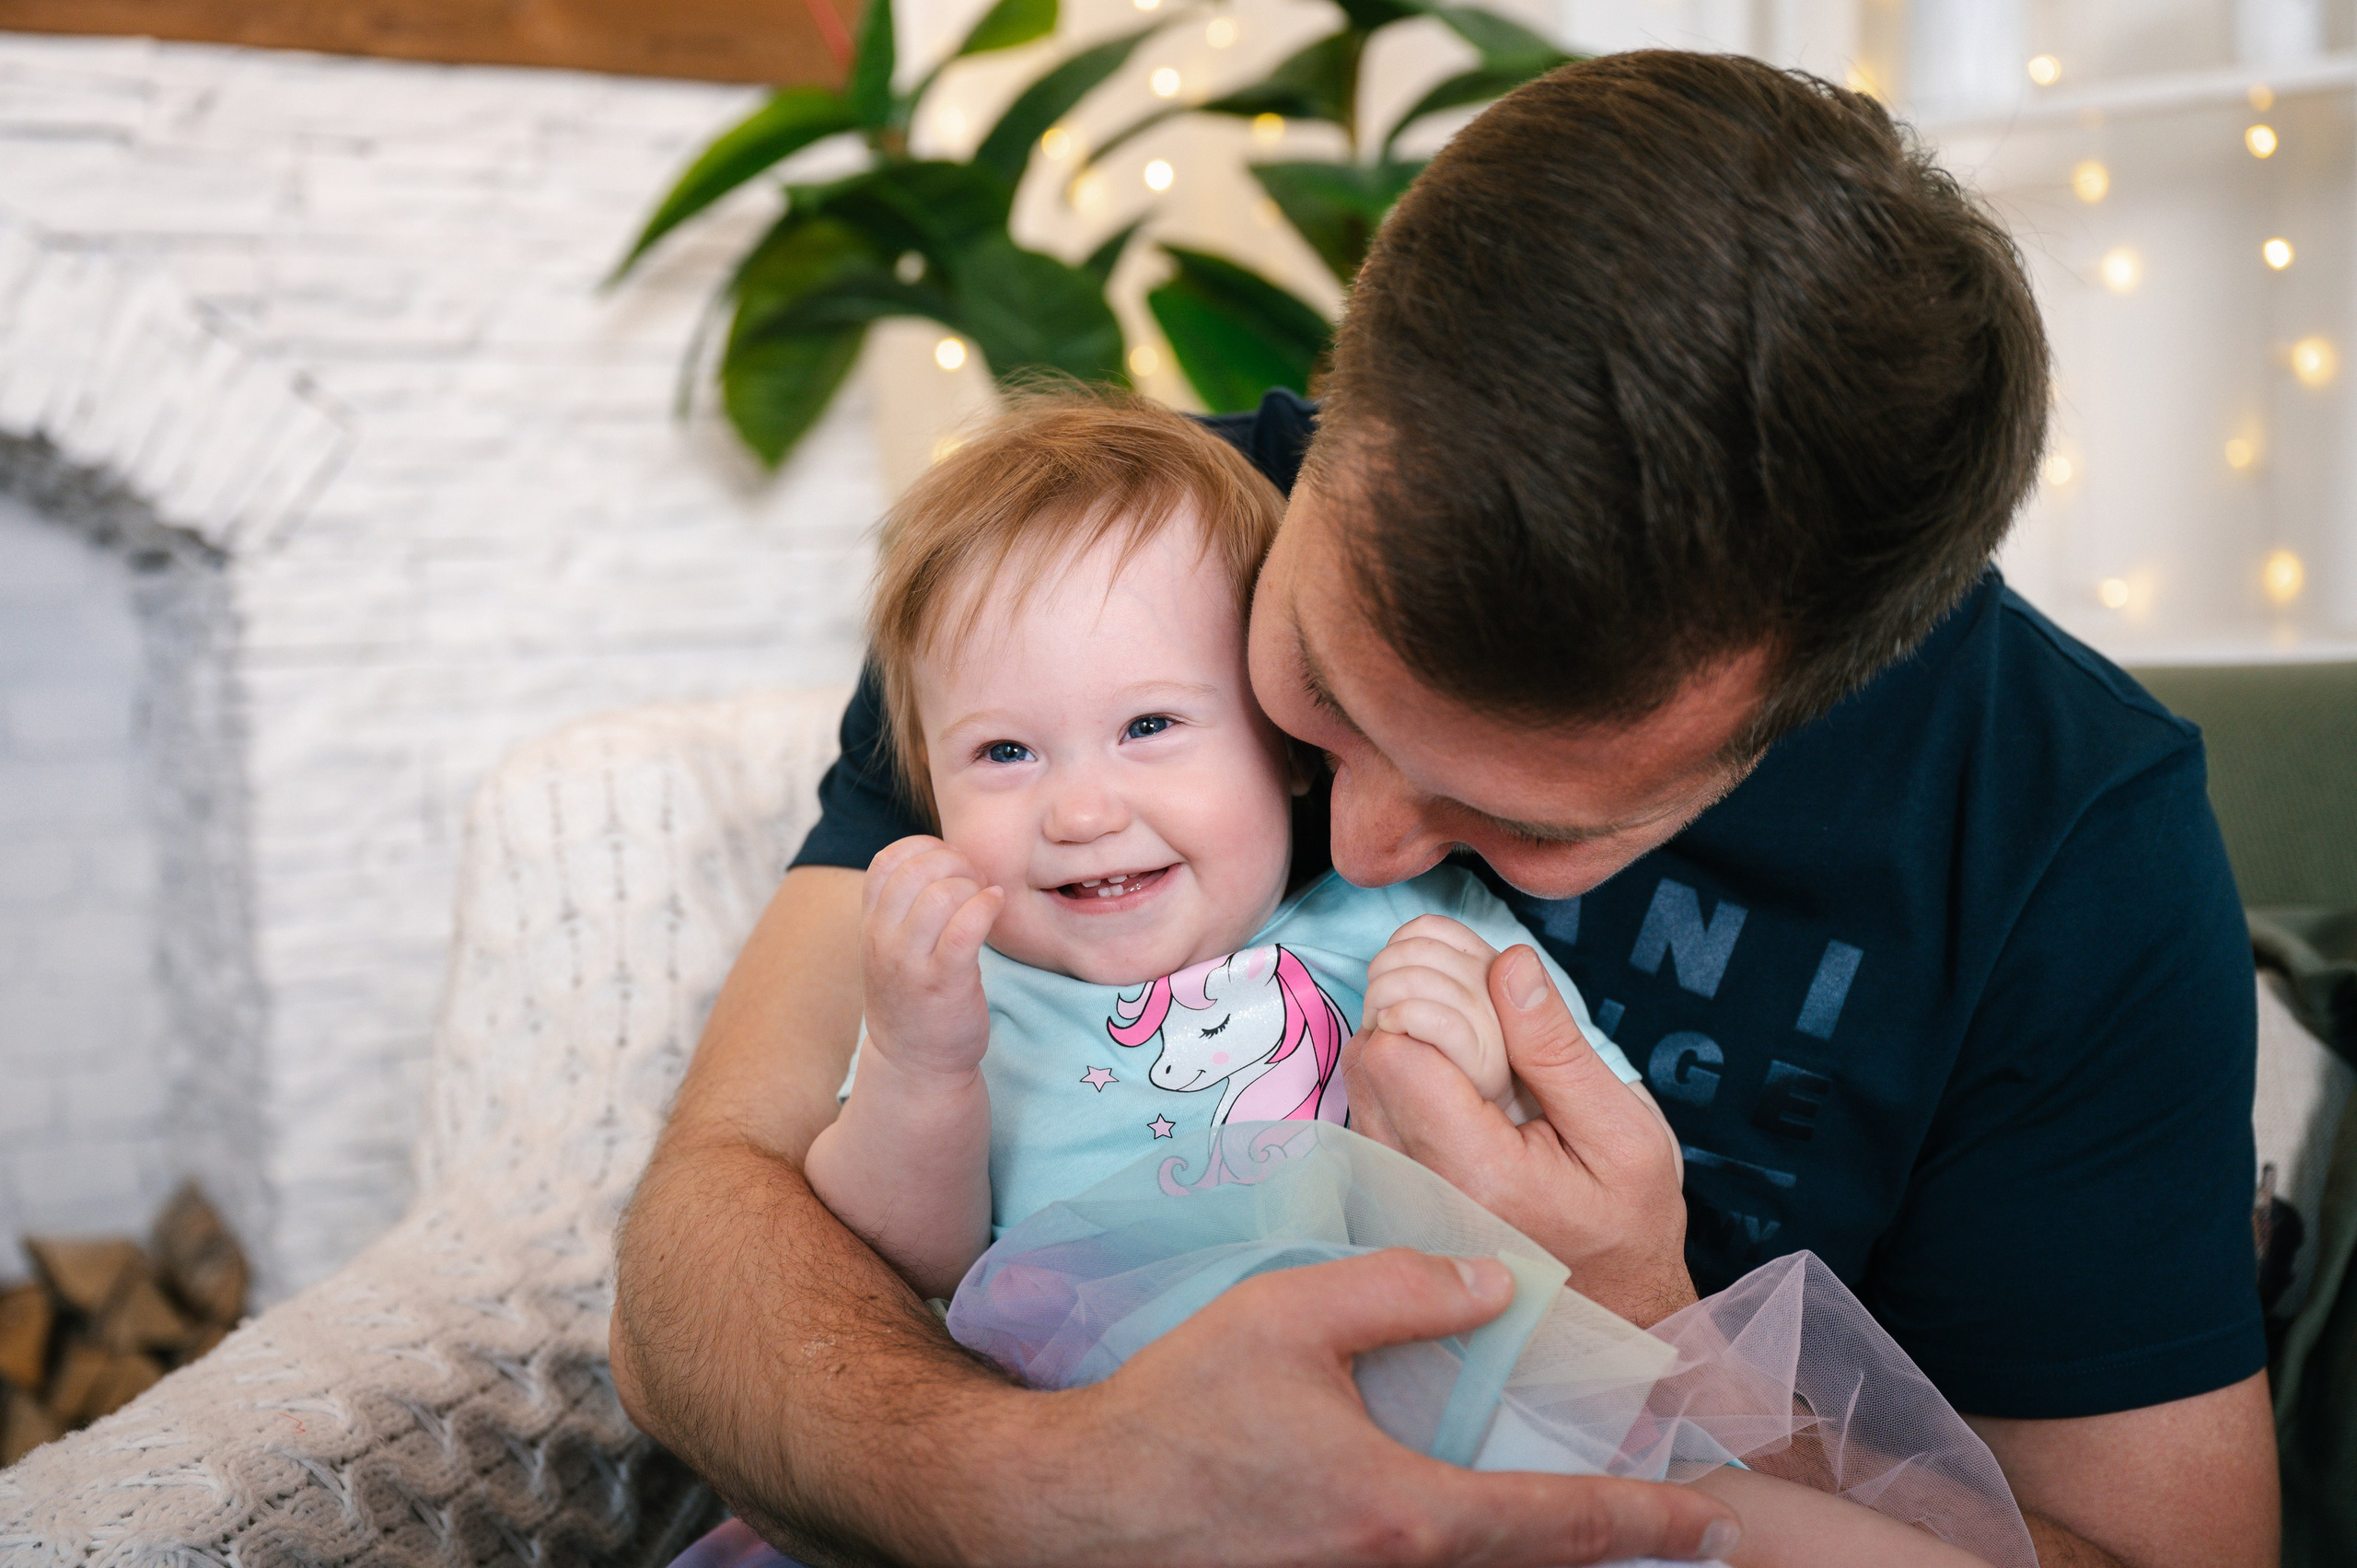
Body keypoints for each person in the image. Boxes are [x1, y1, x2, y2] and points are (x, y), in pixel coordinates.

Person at [611, 51, 2279, 1567]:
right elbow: (705, 1250)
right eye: (1321, 689)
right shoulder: (1095, 593)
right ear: (1339, 401)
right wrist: (1050, 1481)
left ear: (1822, 695)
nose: (1368, 846)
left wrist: (1646, 1313)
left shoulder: (2064, 829)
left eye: (1530, 818)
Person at [804, 394, 1652, 1300]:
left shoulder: (1416, 920)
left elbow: (1621, 1182)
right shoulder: (963, 996)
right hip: (1109, 1415)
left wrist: (1494, 1093)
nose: (1081, 813)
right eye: (1004, 751)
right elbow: (914, 1260)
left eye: (1149, 723)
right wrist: (916, 1066)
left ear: (1293, 741)